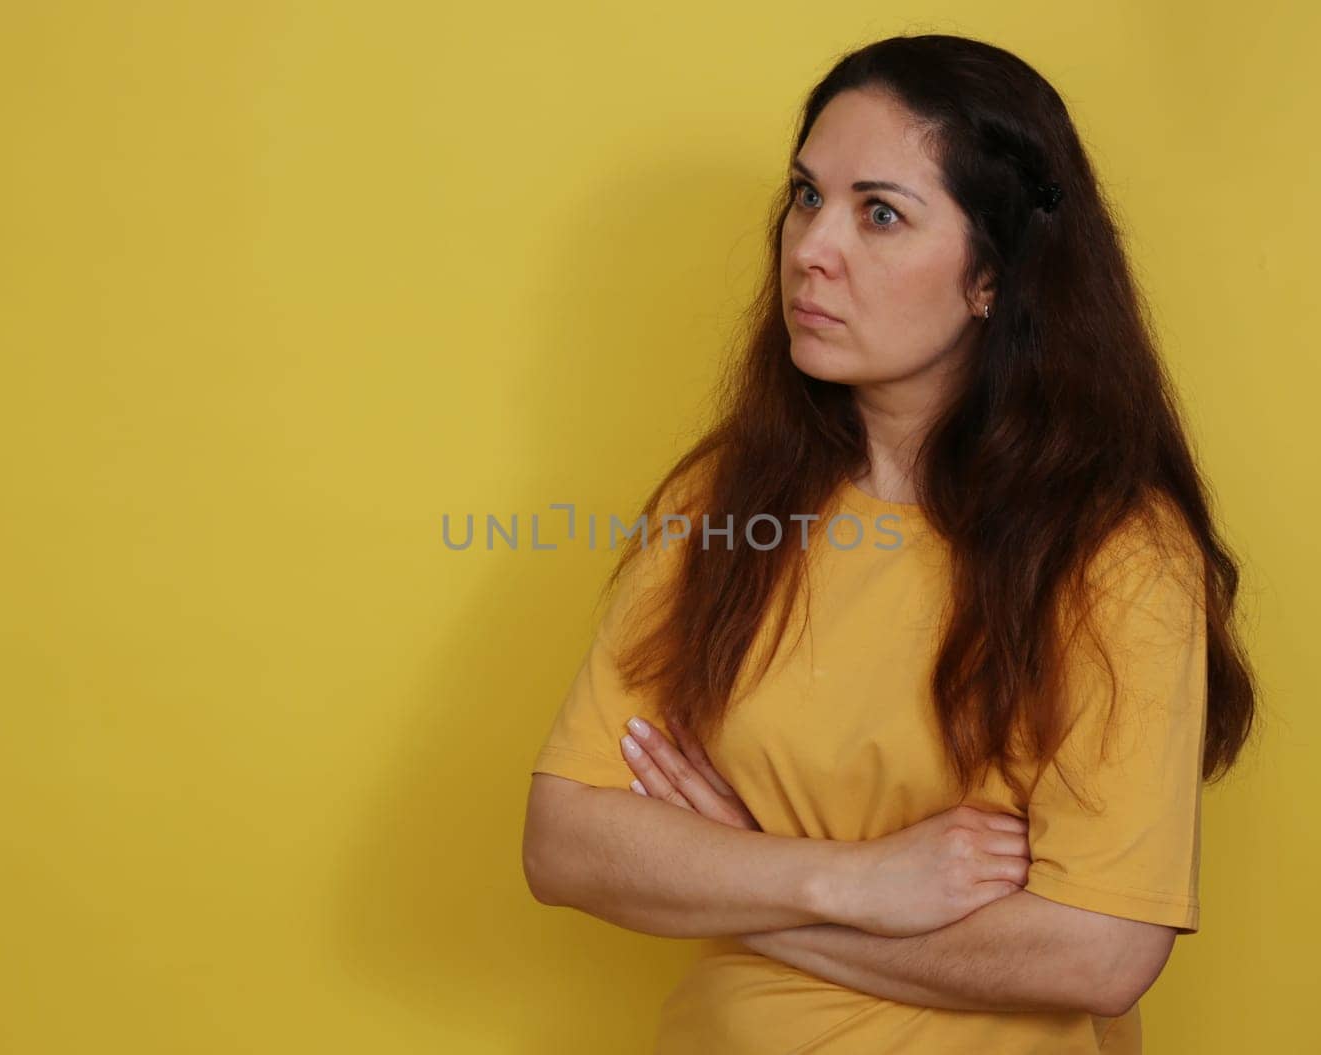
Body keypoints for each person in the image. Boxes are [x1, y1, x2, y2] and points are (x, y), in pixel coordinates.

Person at [521, 33, 1258, 1055]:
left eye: (879, 213)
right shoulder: (723, 499)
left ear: (989, 280)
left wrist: (728, 870)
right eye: (806, 195)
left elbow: (1098, 950)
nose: (811, 246)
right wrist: (852, 878)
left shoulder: (1115, 550)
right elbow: (563, 839)